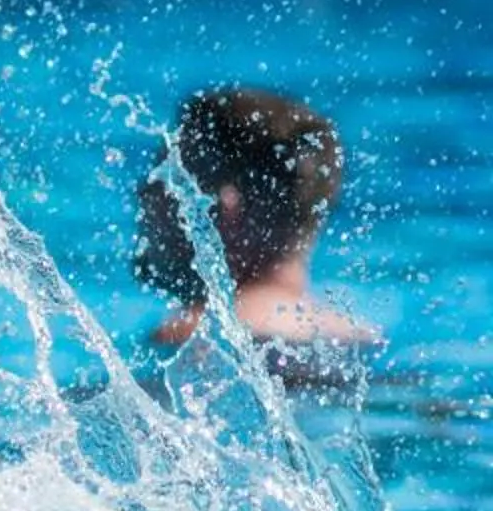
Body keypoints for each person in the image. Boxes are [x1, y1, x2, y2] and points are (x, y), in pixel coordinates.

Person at [133, 87, 380, 370]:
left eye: (167, 181)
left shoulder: (197, 334)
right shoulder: (358, 338)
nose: (143, 194)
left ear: (221, 206)